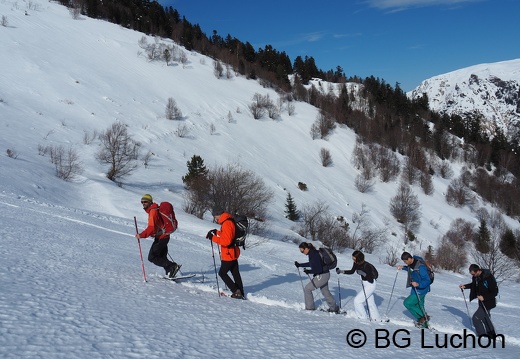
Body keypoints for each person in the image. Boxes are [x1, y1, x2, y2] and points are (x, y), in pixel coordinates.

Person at [135, 194, 180, 278]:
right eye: (142, 202)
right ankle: (170, 272)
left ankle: (172, 266)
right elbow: (156, 225)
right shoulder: (155, 209)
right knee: (162, 256)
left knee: (152, 257)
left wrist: (141, 235)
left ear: (150, 202)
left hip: (161, 238)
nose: (143, 203)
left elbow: (151, 227)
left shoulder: (153, 211)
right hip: (164, 236)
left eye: (145, 201)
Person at [206, 206, 244, 299]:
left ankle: (236, 291)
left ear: (218, 215)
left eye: (215, 216)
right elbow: (228, 235)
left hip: (228, 253)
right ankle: (241, 292)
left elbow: (226, 241)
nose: (215, 218)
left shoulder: (226, 223)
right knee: (235, 273)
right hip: (233, 252)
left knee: (222, 273)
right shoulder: (229, 221)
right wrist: (217, 232)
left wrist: (213, 237)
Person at [336, 250, 381, 321]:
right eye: (352, 258)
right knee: (370, 302)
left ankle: (362, 317)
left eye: (354, 258)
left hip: (370, 285)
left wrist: (363, 273)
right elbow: (352, 271)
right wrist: (341, 271)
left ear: (359, 258)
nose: (353, 260)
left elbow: (371, 279)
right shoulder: (356, 263)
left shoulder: (367, 266)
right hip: (366, 284)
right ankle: (376, 319)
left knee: (357, 300)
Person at [295, 242, 339, 313]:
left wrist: (309, 271)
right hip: (325, 274)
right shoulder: (313, 253)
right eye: (301, 251)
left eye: (302, 250)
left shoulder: (314, 254)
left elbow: (318, 269)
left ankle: (310, 308)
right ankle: (334, 308)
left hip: (322, 275)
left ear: (306, 248)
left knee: (307, 289)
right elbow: (312, 263)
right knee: (325, 292)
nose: (302, 252)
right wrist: (300, 265)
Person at [459, 264, 498, 338]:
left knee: (476, 318)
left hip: (488, 301)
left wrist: (484, 297)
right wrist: (465, 286)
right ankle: (491, 335)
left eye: (473, 273)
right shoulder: (476, 277)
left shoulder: (488, 277)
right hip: (481, 301)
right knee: (485, 317)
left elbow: (495, 292)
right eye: (472, 274)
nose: (473, 275)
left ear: (478, 271)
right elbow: (474, 285)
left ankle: (482, 336)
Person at [396, 251, 431, 327]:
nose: (405, 263)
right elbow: (410, 269)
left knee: (407, 303)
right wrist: (403, 267)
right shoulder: (412, 262)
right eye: (404, 262)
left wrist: (418, 284)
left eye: (405, 261)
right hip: (417, 288)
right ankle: (425, 325)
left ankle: (424, 317)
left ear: (409, 258)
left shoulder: (420, 267)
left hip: (420, 289)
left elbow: (427, 280)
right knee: (419, 305)